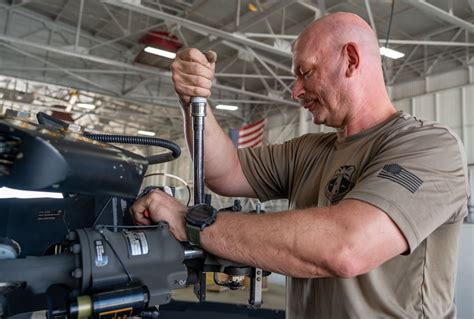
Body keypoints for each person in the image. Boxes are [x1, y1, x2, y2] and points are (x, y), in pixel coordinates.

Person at [131, 12, 468, 318]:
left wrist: (188, 221)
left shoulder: (429, 147)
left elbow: (345, 247)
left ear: (350, 60)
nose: (295, 91)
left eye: (305, 72)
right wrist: (194, 101)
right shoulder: (310, 150)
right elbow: (226, 170)